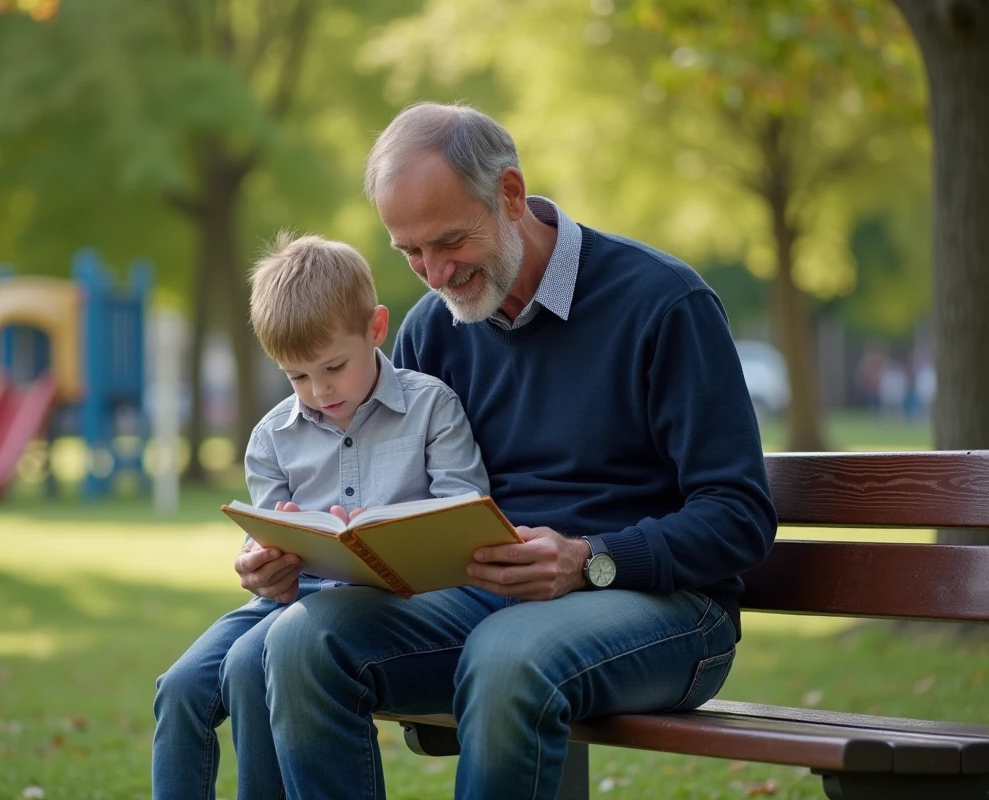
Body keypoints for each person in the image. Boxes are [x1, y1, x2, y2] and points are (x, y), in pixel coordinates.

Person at [233, 102, 779, 800]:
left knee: (509, 656)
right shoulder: (435, 329)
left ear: (511, 195)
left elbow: (739, 516)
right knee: (301, 642)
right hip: (484, 603)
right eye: (409, 252)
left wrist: (589, 560)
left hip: (667, 611)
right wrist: (300, 552)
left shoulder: (663, 304)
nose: (432, 272)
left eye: (449, 241)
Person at [151, 231, 491, 799]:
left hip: (393, 606)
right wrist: (265, 562)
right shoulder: (272, 436)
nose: (319, 390)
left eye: (333, 367)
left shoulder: (432, 406)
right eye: (297, 376)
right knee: (180, 687)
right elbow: (270, 551)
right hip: (293, 597)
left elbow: (464, 520)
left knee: (246, 666)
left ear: (376, 329)